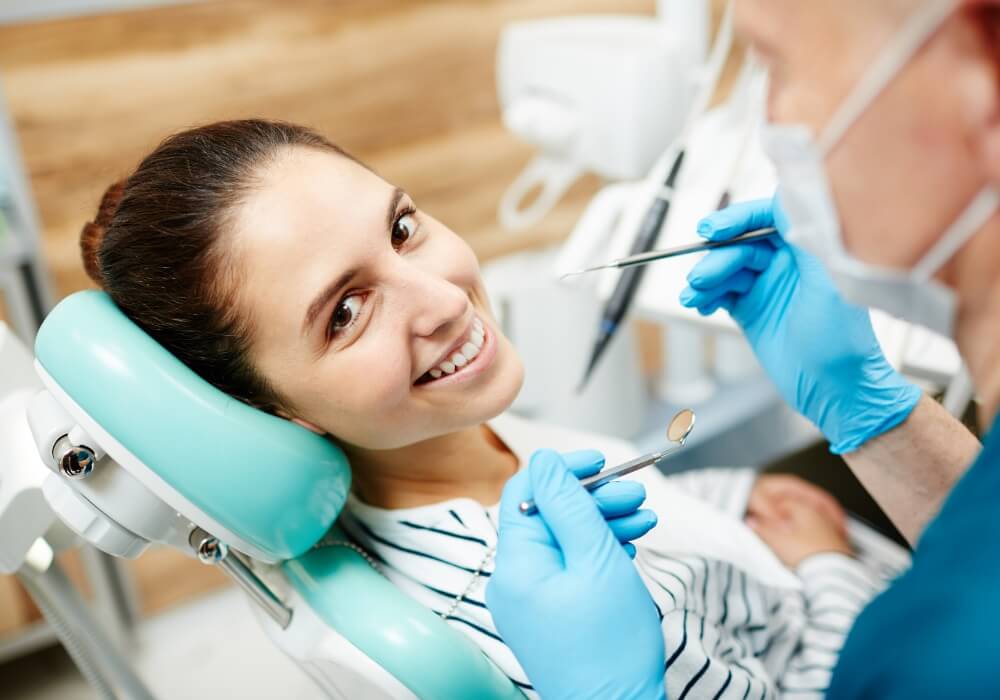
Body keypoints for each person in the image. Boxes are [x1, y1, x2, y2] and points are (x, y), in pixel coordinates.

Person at [77, 119, 903, 698]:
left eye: (402, 228)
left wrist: (732, 500)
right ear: (270, 410)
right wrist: (824, 565)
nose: (440, 297)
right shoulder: (514, 607)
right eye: (346, 313)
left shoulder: (439, 437)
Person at [486, 0, 1000, 698]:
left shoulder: (929, 666)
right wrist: (875, 417)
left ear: (984, 81)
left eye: (775, 65)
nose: (768, 126)